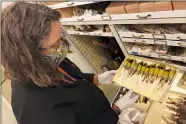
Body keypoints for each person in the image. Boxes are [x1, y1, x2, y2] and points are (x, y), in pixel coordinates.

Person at [1, 2, 139, 124]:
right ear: (29, 55)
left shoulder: (47, 59)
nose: (62, 47)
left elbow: (68, 75)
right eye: (55, 44)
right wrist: (116, 109)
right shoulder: (37, 111)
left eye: (61, 38)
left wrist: (96, 79)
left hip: (100, 111)